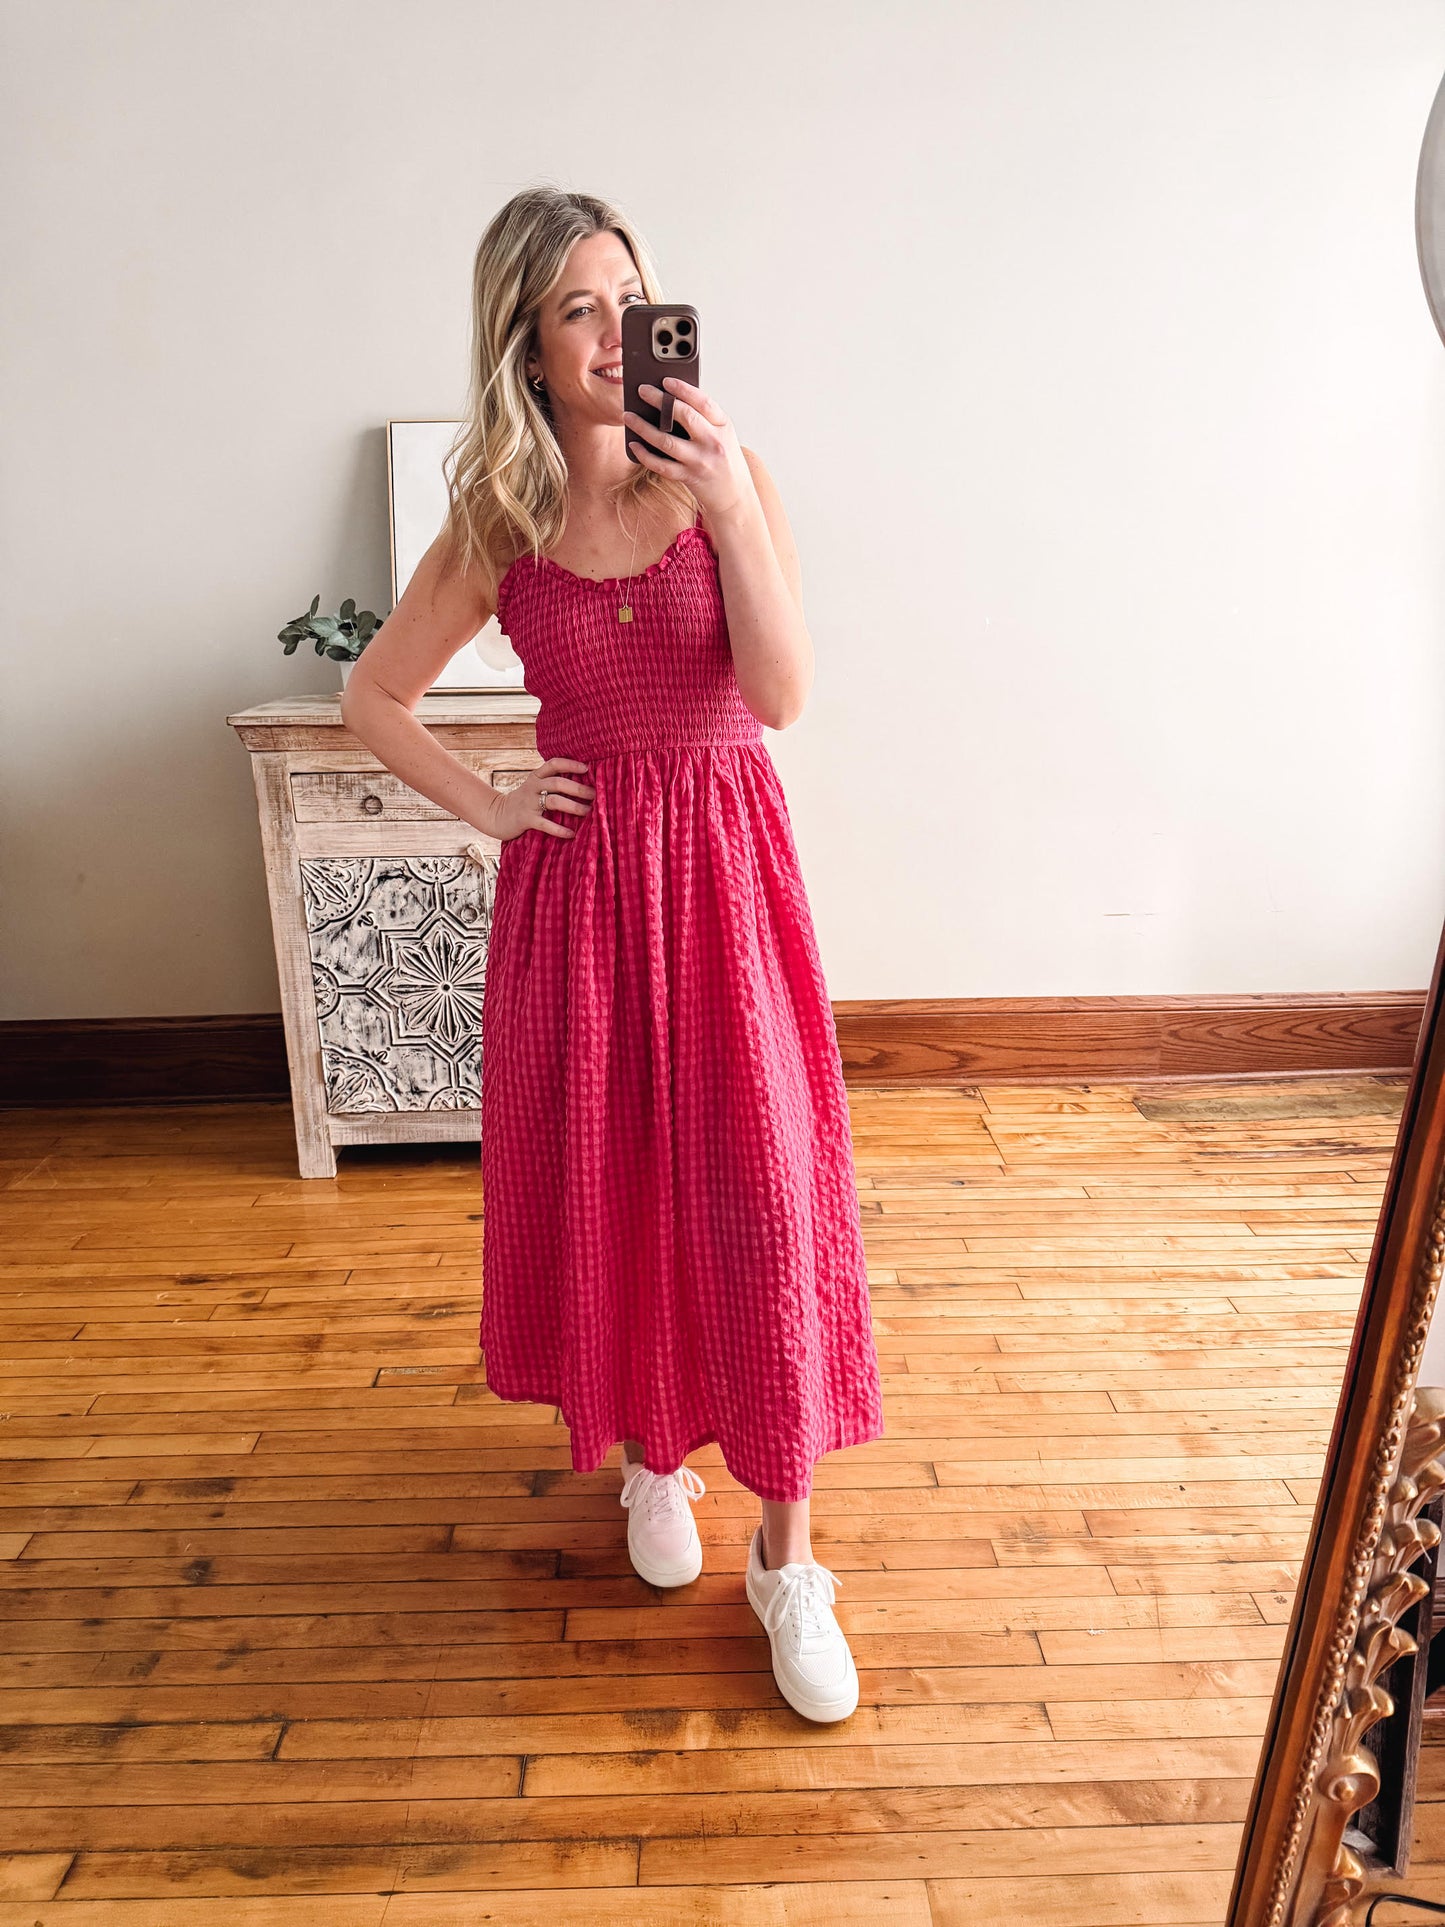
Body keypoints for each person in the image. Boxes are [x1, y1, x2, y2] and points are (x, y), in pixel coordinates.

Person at [340, 185, 885, 1724]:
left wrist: (721, 501)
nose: (609, 334)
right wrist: (498, 806)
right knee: (624, 1187)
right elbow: (375, 700)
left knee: (764, 1199)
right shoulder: (502, 524)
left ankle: (788, 1557)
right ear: (524, 339)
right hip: (580, 905)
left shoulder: (733, 476)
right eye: (576, 308)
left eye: (627, 299)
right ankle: (655, 1459)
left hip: (724, 883)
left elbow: (778, 698)